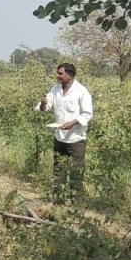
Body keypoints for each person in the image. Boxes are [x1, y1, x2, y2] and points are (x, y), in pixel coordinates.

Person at [35, 63, 93, 204]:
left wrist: (72, 123)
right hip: (59, 137)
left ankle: (76, 205)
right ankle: (57, 202)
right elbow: (45, 107)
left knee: (75, 173)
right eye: (57, 73)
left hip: (75, 139)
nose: (57, 76)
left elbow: (87, 114)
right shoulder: (55, 89)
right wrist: (43, 104)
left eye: (60, 73)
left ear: (70, 75)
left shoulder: (81, 91)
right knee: (58, 171)